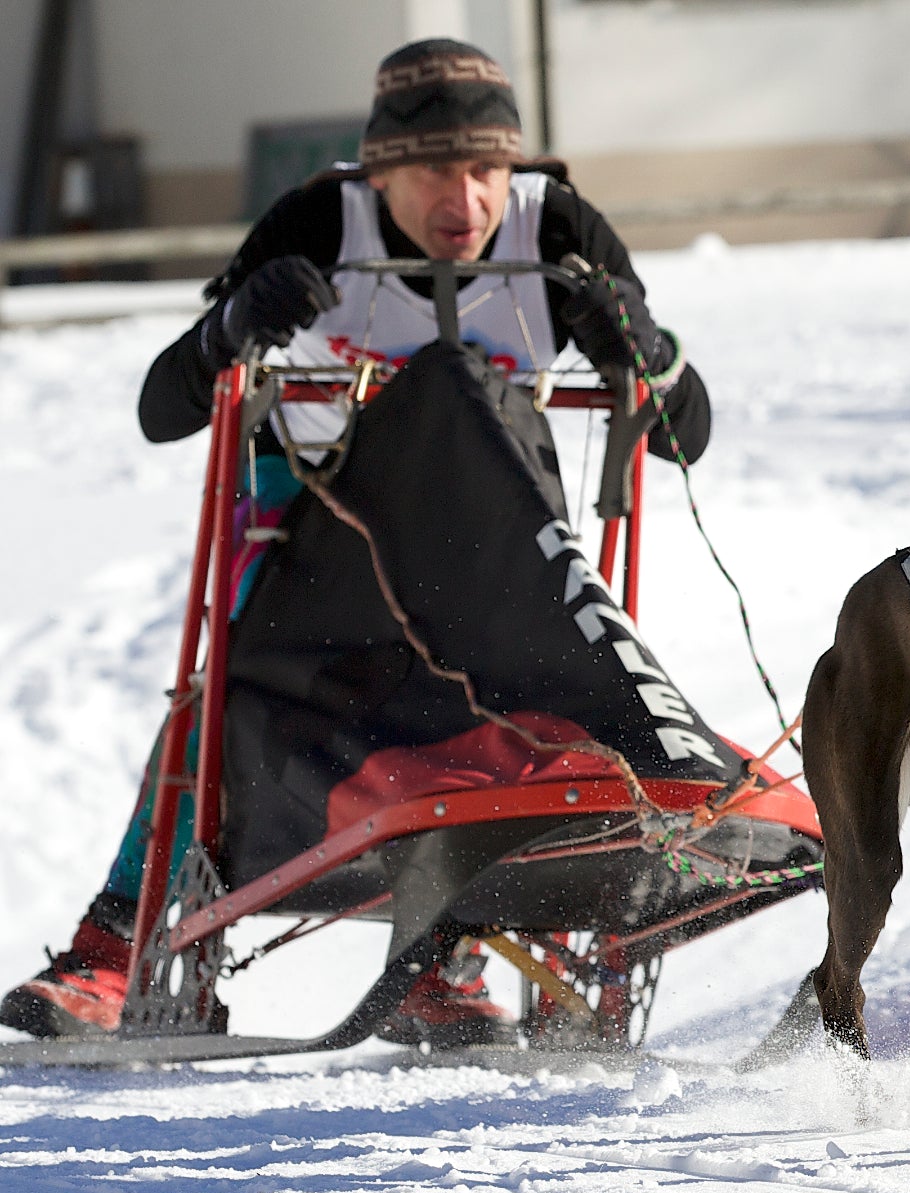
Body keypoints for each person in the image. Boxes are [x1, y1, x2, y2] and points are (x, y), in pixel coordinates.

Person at [1, 38, 711, 1045]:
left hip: (486, 534)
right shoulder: (316, 225)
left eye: (483, 171)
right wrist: (228, 330)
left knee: (516, 693)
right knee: (225, 693)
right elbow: (166, 409)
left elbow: (690, 434)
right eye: (431, 172)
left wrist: (646, 347)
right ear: (377, 171)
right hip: (323, 525)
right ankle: (112, 949)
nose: (461, 200)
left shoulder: (555, 230)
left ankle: (447, 953)